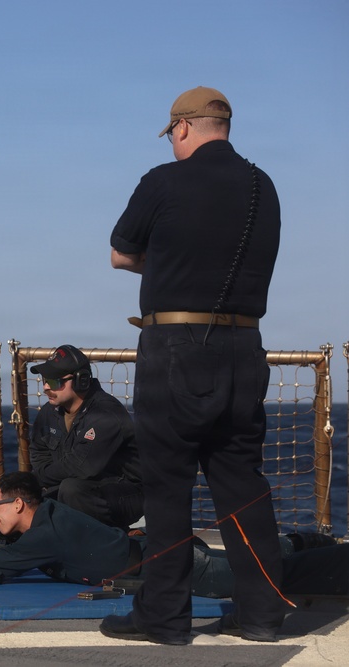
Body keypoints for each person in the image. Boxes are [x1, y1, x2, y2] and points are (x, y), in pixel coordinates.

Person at [102, 86, 286, 644]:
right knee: (243, 487)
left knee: (166, 488)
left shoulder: (163, 180)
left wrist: (167, 265)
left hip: (176, 348)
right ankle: (261, 616)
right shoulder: (264, 187)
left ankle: (163, 617)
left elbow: (121, 253)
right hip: (245, 350)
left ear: (182, 128)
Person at [0, 472, 348, 601]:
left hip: (174, 570)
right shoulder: (47, 521)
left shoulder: (44, 534)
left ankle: (332, 560)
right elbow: (6, 557)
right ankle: (313, 540)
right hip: (164, 556)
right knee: (272, 557)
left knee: (275, 577)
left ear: (19, 505)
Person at [29, 344, 143, 530]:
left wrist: (37, 480)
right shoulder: (48, 414)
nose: (46, 387)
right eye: (44, 380)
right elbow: (38, 451)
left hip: (127, 494)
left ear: (81, 380)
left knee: (72, 490)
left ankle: (111, 540)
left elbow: (80, 467)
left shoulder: (106, 414)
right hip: (74, 487)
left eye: (54, 381)